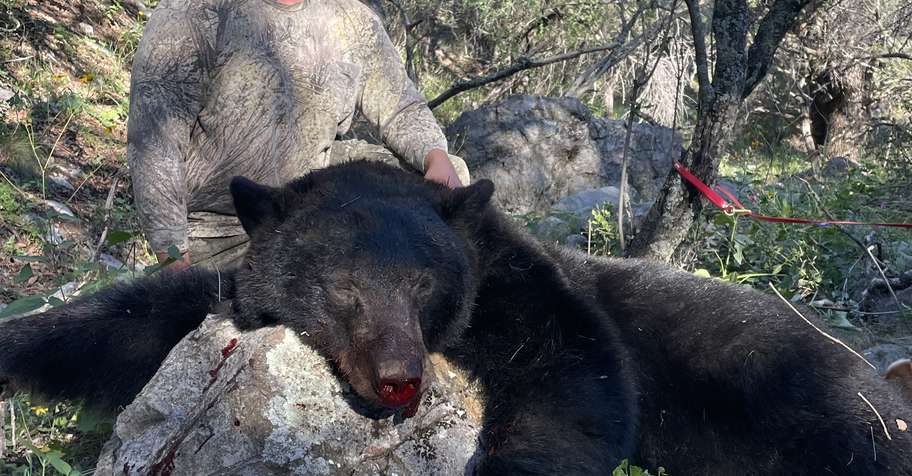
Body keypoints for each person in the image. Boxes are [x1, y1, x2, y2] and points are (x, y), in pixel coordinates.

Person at [127, 0, 469, 271]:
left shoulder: (353, 22)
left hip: (312, 215)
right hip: (212, 231)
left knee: (445, 175)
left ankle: (418, 293)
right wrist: (172, 259)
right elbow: (155, 148)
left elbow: (401, 107)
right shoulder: (190, 15)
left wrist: (434, 155)